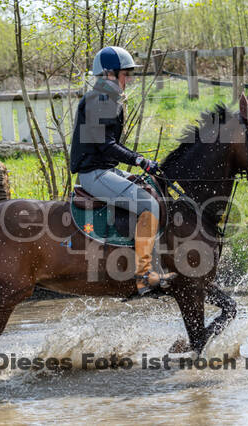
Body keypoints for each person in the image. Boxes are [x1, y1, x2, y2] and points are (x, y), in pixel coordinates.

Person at [70, 46, 176, 298]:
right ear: (110, 74)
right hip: (94, 174)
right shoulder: (100, 99)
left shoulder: (106, 97)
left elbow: (107, 145)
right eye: (125, 74)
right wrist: (138, 159)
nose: (128, 79)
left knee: (152, 185)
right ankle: (143, 275)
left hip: (105, 169)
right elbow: (105, 144)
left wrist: (140, 163)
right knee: (148, 205)